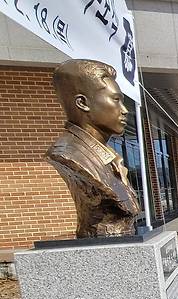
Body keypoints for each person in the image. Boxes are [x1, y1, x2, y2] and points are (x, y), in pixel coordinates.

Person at [46, 59, 140, 238]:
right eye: (116, 100)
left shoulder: (109, 157)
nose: (125, 110)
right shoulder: (68, 155)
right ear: (83, 103)